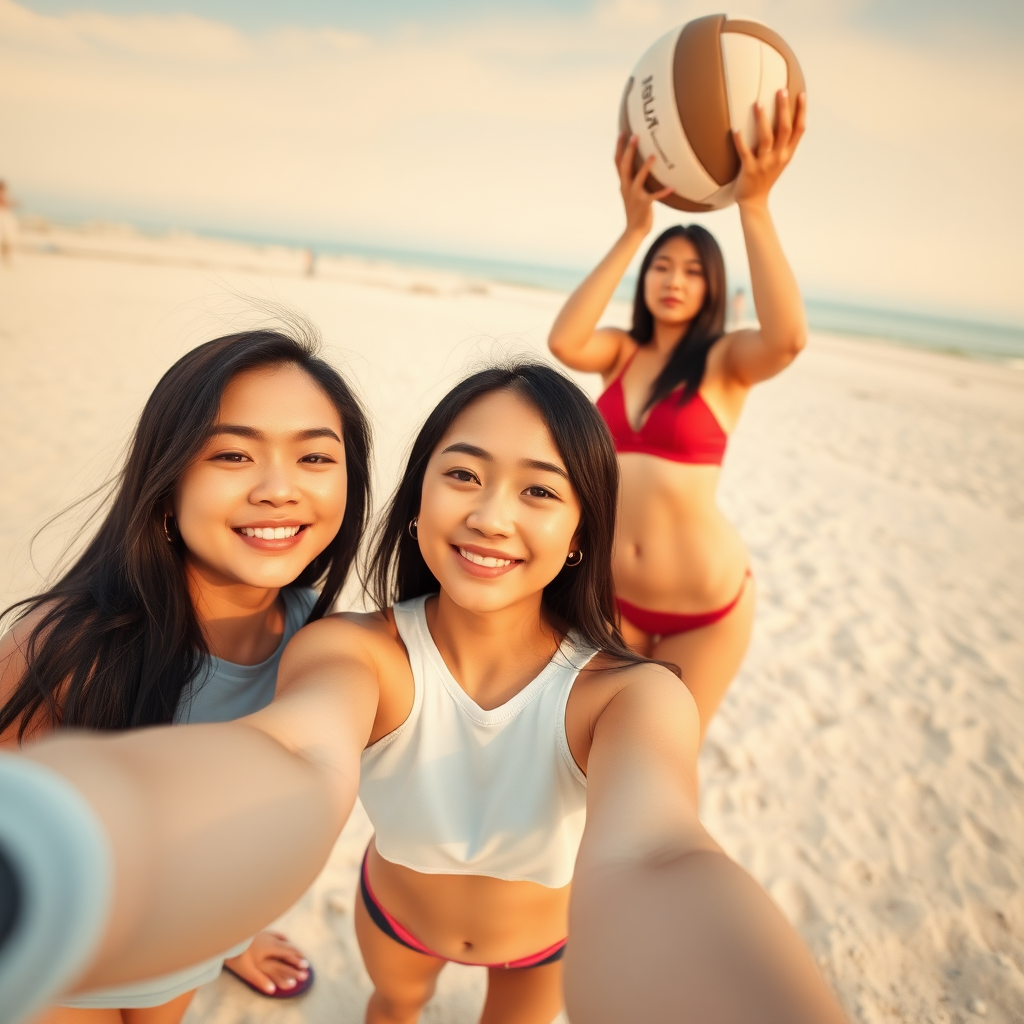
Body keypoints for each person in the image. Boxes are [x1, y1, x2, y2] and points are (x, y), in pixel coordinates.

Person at [3, 361, 848, 1024]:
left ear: (584, 530)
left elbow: (655, 851)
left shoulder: (630, 695)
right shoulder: (352, 650)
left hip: (544, 945)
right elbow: (293, 749)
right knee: (391, 1011)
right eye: (464, 475)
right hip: (394, 919)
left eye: (540, 491)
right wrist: (64, 827)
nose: (491, 515)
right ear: (415, 503)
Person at [0, 330, 372, 1019]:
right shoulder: (63, 646)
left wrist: (230, 929)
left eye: (315, 456)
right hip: (65, 960)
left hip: (191, 943)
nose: (279, 489)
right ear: (167, 480)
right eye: (232, 454)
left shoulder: (319, 640)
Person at [548, 90, 808, 739]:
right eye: (662, 265)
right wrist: (635, 229)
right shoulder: (618, 355)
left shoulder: (725, 363)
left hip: (705, 608)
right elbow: (563, 340)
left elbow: (789, 339)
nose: (674, 279)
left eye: (693, 271)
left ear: (712, 289)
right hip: (608, 596)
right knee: (575, 750)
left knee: (659, 760)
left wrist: (754, 203)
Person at [0, 180, 19, 266]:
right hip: (4, 218)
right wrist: (13, 203)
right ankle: (6, 259)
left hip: (5, 218)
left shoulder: (3, 195)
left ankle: (6, 258)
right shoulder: (1, 195)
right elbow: (4, 204)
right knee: (7, 239)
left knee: (7, 240)